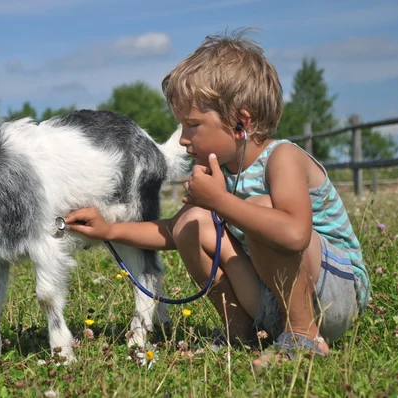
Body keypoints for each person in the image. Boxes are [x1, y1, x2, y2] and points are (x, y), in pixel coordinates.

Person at [64, 28, 369, 371]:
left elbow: (295, 234)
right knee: (192, 224)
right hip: (274, 299)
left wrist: (220, 202)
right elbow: (173, 231)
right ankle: (242, 332)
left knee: (259, 210)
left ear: (240, 123)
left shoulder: (282, 158)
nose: (183, 139)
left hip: (331, 297)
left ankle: (304, 337)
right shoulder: (220, 169)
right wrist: (109, 230)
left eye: (192, 125)